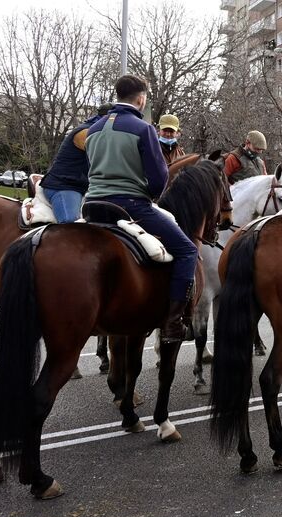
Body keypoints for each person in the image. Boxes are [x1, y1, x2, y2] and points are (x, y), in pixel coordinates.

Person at [84, 74, 196, 343]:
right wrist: (152, 196)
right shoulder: (142, 128)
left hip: (92, 205)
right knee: (187, 250)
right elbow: (159, 178)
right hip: (131, 204)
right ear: (141, 98)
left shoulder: (93, 129)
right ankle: (172, 323)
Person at [38, 103, 113, 223]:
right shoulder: (85, 133)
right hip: (65, 185)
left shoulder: (99, 131)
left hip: (81, 186)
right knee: (71, 226)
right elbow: (103, 158)